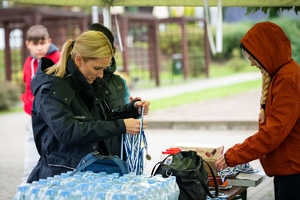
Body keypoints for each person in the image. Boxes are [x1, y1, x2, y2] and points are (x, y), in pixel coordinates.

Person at [26, 23, 150, 183]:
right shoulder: (51, 88)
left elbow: (99, 119)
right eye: (97, 68)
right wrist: (122, 125)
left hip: (85, 173)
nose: (100, 75)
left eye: (104, 69)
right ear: (79, 60)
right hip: (60, 177)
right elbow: (68, 131)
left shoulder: (86, 82)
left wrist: (131, 110)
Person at [215, 21, 300, 200]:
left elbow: (273, 133)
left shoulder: (287, 79)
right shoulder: (282, 75)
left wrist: (234, 155)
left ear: (267, 52)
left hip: (294, 173)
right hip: (288, 169)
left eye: (252, 57)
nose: (252, 64)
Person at [21, 24, 61, 184]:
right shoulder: (28, 62)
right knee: (30, 163)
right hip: (34, 118)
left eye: (42, 43)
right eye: (34, 44)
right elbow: (27, 88)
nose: (39, 48)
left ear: (49, 41)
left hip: (53, 119)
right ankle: (25, 191)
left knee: (53, 162)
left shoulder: (58, 59)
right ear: (27, 44)